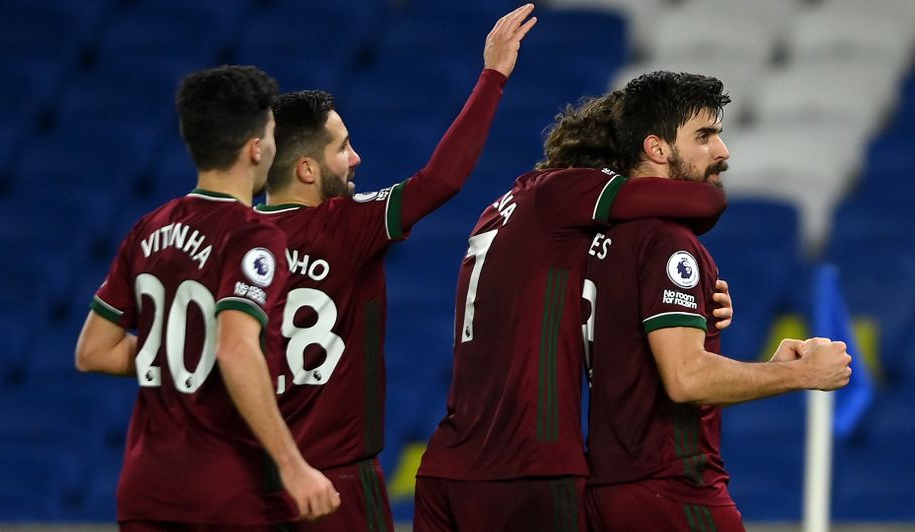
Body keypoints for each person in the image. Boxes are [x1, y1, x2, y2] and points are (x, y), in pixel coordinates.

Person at [253, 5, 539, 530]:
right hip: (337, 485)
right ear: (306, 167)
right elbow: (441, 180)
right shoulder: (345, 225)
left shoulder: (231, 241)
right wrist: (494, 76)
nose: (356, 158)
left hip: (253, 487)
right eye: (343, 148)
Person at [413, 76, 741, 530]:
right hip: (526, 467)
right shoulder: (569, 193)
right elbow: (704, 202)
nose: (722, 152)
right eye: (704, 136)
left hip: (447, 461)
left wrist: (697, 301)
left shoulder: (514, 210)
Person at [580, 71, 853, 531]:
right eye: (704, 136)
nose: (722, 152)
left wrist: (760, 365)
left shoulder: (602, 241)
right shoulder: (667, 241)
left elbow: (648, 379)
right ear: (657, 148)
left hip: (608, 492)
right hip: (672, 493)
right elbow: (685, 379)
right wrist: (800, 373)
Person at [75, 65, 340, 530]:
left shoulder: (150, 226)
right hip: (225, 489)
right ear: (256, 147)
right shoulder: (253, 235)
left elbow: (94, 351)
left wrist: (179, 345)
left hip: (144, 486)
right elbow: (235, 348)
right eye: (273, 133)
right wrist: (293, 466)